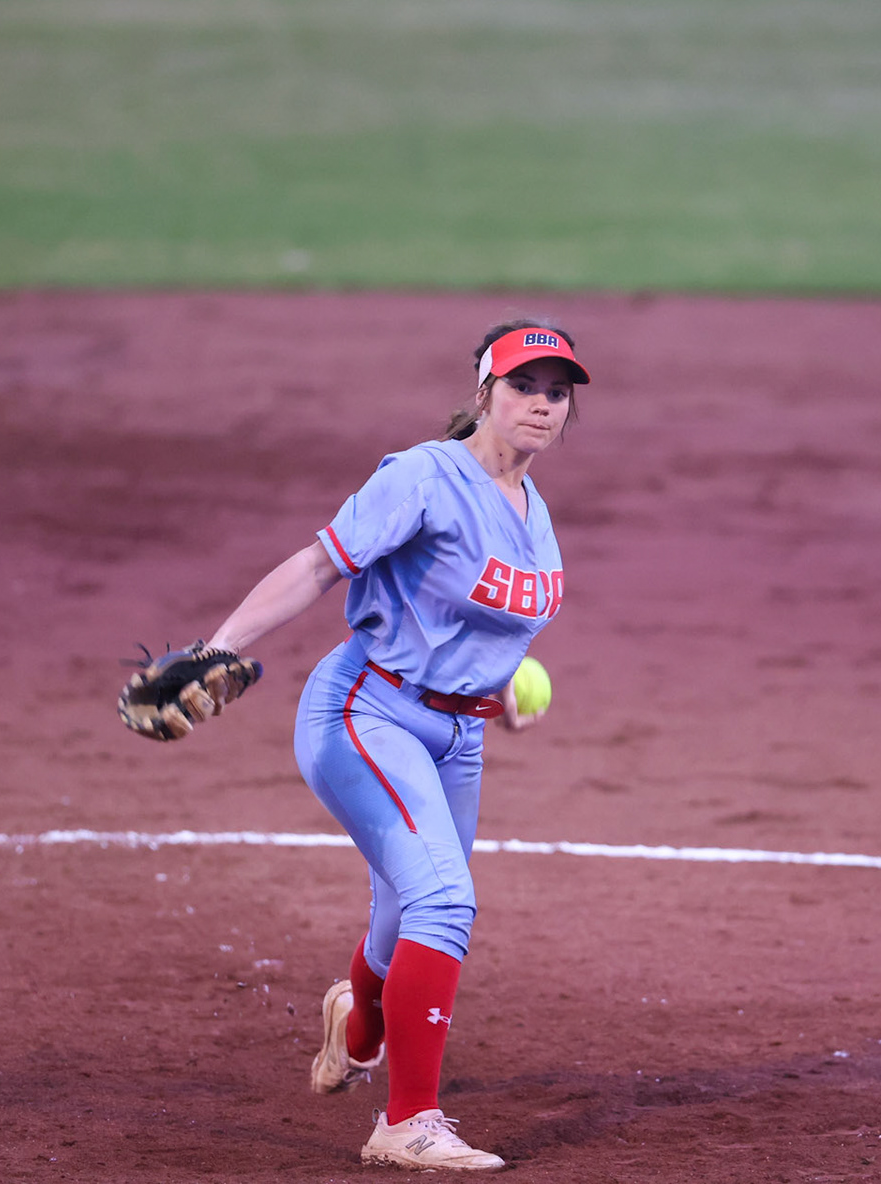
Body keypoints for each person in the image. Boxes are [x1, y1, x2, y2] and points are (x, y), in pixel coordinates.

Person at [197, 319, 589, 1170]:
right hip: (367, 714)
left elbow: (492, 628)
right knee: (446, 902)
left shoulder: (535, 509)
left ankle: (360, 1022)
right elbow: (316, 565)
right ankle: (406, 1123)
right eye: (525, 387)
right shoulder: (422, 477)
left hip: (459, 736)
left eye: (558, 393)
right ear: (486, 392)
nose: (543, 406)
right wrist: (220, 647)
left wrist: (504, 696)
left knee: (405, 911)